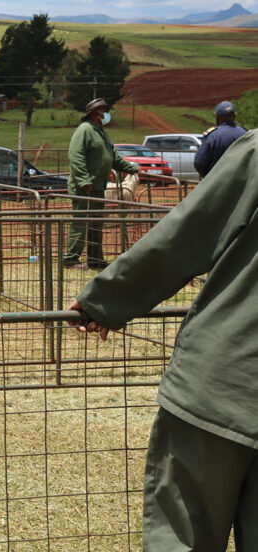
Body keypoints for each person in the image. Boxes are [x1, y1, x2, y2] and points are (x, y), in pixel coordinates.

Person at [70, 128, 257, 551]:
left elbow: (189, 231)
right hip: (225, 388)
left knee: (182, 540)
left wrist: (107, 298)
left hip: (220, 387)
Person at [63, 97, 139, 270]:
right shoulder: (84, 130)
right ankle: (71, 259)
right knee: (81, 222)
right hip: (84, 187)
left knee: (96, 223)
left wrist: (132, 169)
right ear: (95, 114)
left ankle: (95, 259)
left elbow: (113, 157)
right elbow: (76, 157)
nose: (107, 114)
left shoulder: (101, 132)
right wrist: (83, 180)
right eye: (104, 111)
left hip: (97, 187)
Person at [194, 100, 247, 178]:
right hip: (242, 180)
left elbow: (199, 163)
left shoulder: (213, 135)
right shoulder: (245, 133)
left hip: (217, 180)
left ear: (217, 116)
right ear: (234, 116)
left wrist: (207, 176)